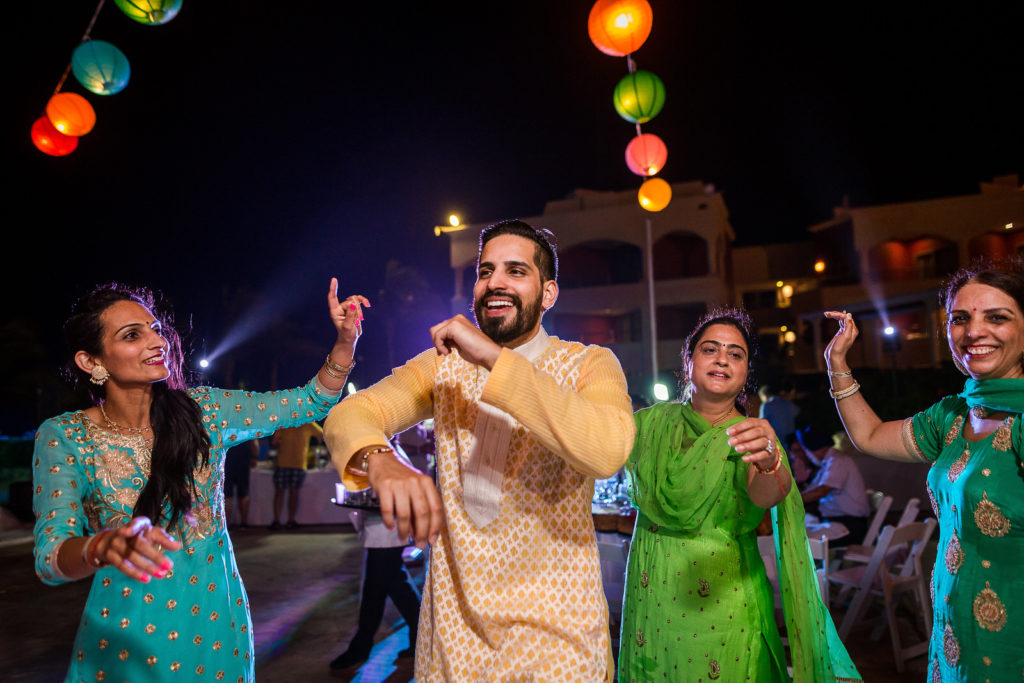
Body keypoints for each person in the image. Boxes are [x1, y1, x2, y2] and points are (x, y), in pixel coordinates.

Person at [324, 219, 635, 681]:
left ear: (548, 293)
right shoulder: (443, 367)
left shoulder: (589, 363)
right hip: (453, 640)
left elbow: (607, 450)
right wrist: (380, 460)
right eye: (485, 271)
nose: (495, 282)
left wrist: (492, 358)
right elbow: (351, 413)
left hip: (559, 640)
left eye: (516, 271)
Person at [32, 279, 365, 683]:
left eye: (155, 329)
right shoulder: (66, 436)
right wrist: (100, 546)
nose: (157, 341)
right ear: (90, 361)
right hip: (125, 637)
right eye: (132, 335)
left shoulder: (205, 412)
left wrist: (345, 341)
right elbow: (50, 557)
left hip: (216, 627)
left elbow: (310, 401)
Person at [619, 308, 860, 682]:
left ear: (746, 373)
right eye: (710, 349)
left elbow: (767, 496)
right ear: (688, 362)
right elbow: (595, 453)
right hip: (652, 598)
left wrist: (768, 461)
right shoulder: (649, 424)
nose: (722, 359)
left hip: (723, 603)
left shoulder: (752, 435)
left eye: (735, 354)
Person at [824, 263, 1024, 681]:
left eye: (997, 317)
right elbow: (871, 435)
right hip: (955, 628)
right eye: (960, 318)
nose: (974, 332)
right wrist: (836, 361)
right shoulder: (953, 415)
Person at [330, 440, 422, 672]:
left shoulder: (389, 454)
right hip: (383, 532)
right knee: (397, 587)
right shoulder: (386, 451)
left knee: (374, 592)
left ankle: (360, 649)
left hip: (387, 533)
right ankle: (421, 637)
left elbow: (395, 496)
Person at [797, 425, 870, 547]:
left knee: (797, 543)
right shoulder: (828, 462)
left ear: (816, 449)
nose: (807, 455)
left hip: (849, 526)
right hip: (839, 522)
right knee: (796, 532)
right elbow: (812, 490)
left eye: (806, 451)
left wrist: (791, 501)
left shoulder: (838, 461)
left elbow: (822, 491)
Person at [269, 421, 323, 530]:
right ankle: (286, 520)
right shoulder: (307, 421)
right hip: (294, 463)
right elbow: (322, 435)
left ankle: (282, 520)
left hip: (291, 463)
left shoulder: (290, 421)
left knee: (284, 492)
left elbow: (274, 442)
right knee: (290, 492)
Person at [224, 438, 259, 528]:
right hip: (243, 459)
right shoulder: (245, 428)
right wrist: (255, 457)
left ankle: (227, 524)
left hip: (227, 460)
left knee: (227, 495)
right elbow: (254, 441)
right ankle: (243, 522)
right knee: (243, 493)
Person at [759, 381, 800, 445]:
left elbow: (761, 425)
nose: (762, 400)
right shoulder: (789, 404)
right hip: (791, 443)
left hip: (775, 443)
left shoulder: (766, 405)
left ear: (765, 395)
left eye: (761, 398)